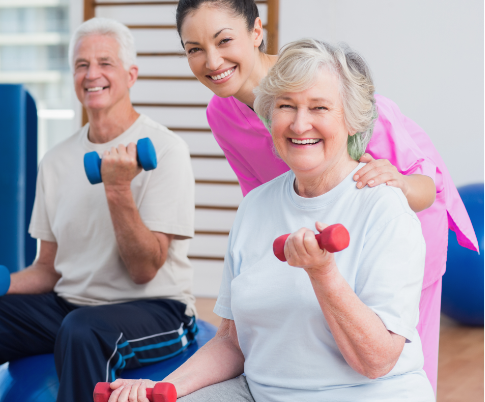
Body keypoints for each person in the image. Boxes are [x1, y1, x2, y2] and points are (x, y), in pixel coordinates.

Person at [170, 0, 478, 393]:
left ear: (256, 31)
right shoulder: (221, 115)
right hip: (319, 233)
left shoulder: (329, 88)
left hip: (399, 225)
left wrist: (401, 186)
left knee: (395, 359)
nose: (212, 61)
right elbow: (258, 198)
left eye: (224, 41)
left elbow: (428, 188)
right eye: (195, 49)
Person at [109, 38, 436, 402]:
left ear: (352, 119)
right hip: (261, 393)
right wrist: (164, 388)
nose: (299, 124)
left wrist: (323, 273)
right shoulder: (256, 206)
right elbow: (233, 342)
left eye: (319, 108)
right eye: (286, 106)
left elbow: (376, 361)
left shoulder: (383, 207)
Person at [0, 18, 198, 402]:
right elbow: (49, 268)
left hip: (156, 310)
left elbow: (143, 270)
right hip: (71, 308)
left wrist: (118, 187)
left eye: (105, 63)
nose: (92, 74)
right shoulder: (56, 160)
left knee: (83, 330)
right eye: (81, 65)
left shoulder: (166, 150)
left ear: (131, 74)